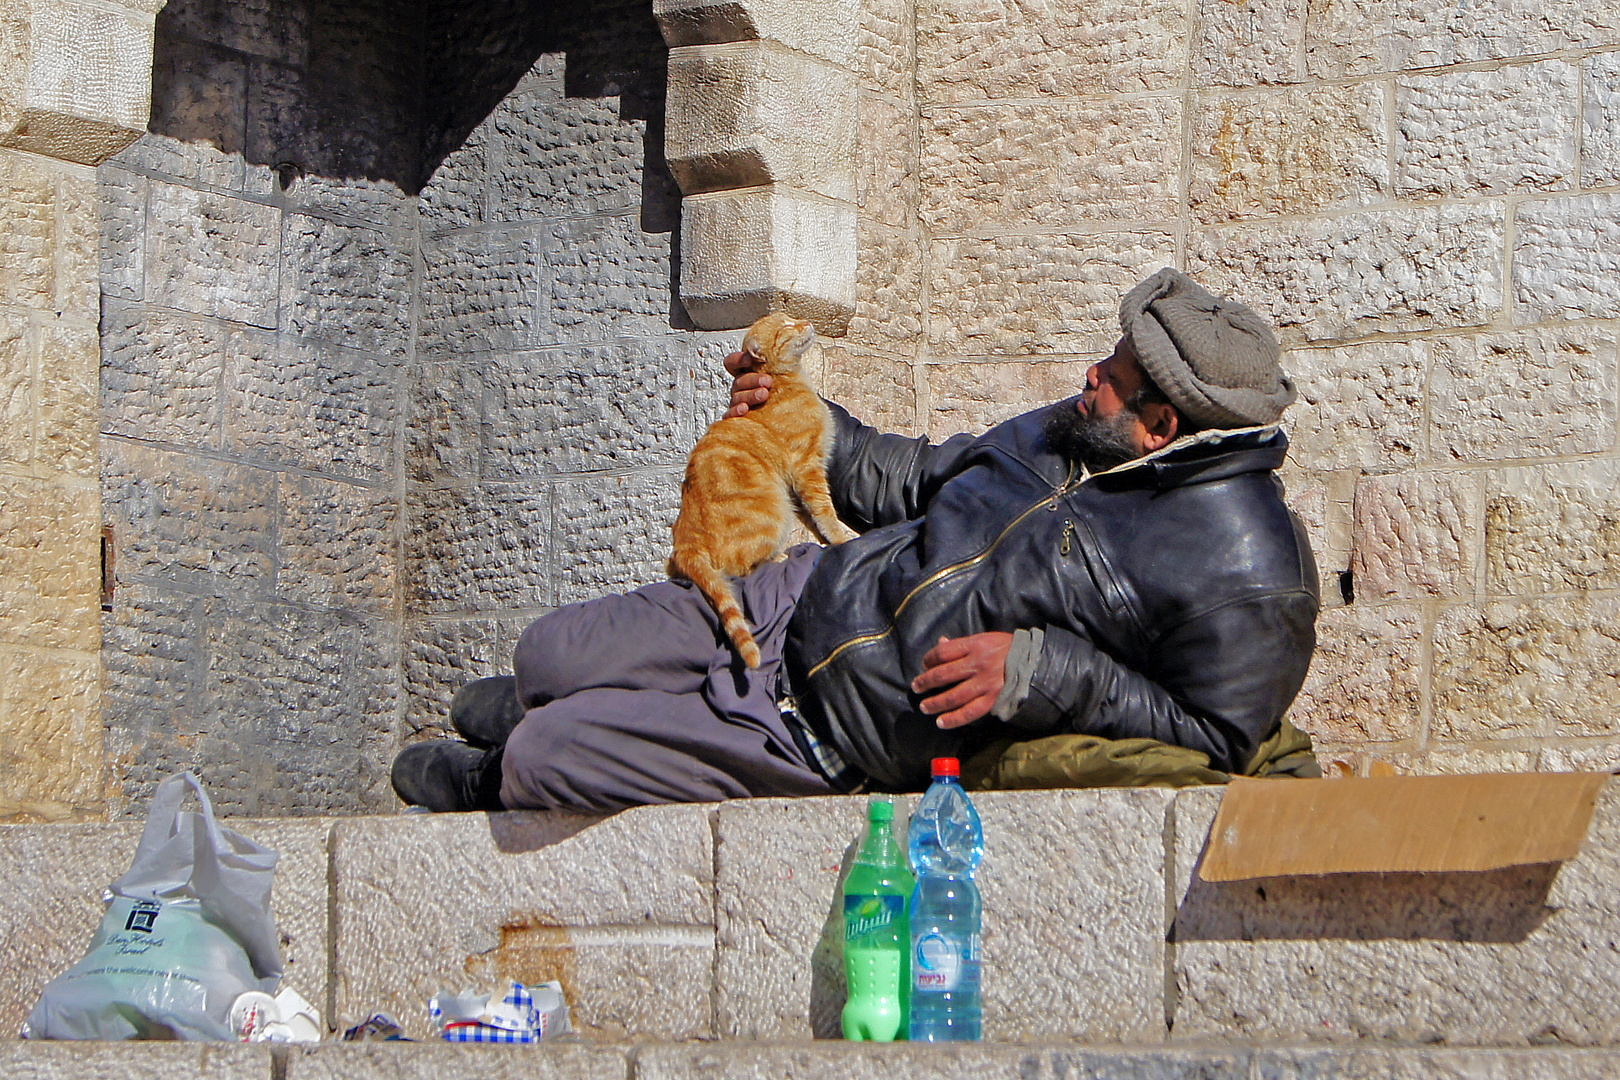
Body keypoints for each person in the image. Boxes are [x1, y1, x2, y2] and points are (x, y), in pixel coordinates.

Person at [391, 268, 1320, 813]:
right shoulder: (1072, 429)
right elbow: (915, 478)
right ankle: (553, 701)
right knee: (542, 653)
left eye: (1111, 377)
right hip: (795, 599)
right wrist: (810, 424)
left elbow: (1218, 737)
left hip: (825, 732)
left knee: (543, 758)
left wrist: (1048, 671)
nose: (1088, 376)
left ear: (1159, 425)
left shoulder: (1250, 574)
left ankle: (508, 766)